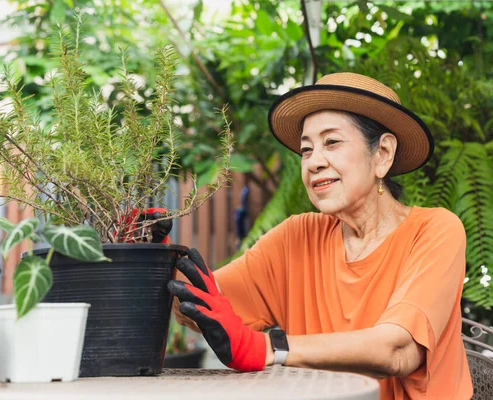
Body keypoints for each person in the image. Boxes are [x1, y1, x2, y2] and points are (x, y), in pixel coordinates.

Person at [165, 73, 474, 399]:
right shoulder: (296, 238)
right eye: (306, 149)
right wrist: (147, 253)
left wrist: (269, 347)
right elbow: (193, 304)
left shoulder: (435, 231)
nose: (313, 162)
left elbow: (397, 351)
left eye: (332, 142)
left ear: (383, 153)